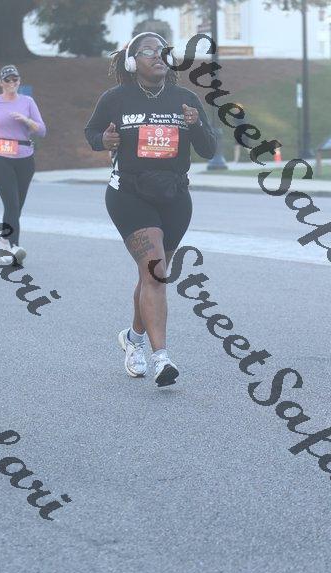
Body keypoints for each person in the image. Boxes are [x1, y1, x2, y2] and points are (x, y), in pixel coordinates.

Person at [85, 32, 216, 387]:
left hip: (175, 196)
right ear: (132, 62)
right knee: (155, 273)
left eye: (162, 51)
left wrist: (196, 124)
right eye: (148, 52)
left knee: (152, 275)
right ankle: (162, 359)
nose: (158, 56)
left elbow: (208, 149)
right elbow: (92, 132)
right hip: (129, 195)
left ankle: (133, 338)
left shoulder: (185, 99)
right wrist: (104, 140)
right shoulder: (115, 98)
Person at [0, 64, 46, 266]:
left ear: (19, 81)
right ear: (1, 83)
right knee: (11, 204)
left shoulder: (28, 102)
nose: (12, 83)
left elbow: (42, 131)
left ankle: (4, 239)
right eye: (8, 80)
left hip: (25, 158)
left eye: (15, 79)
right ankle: (14, 247)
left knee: (17, 206)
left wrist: (26, 121)